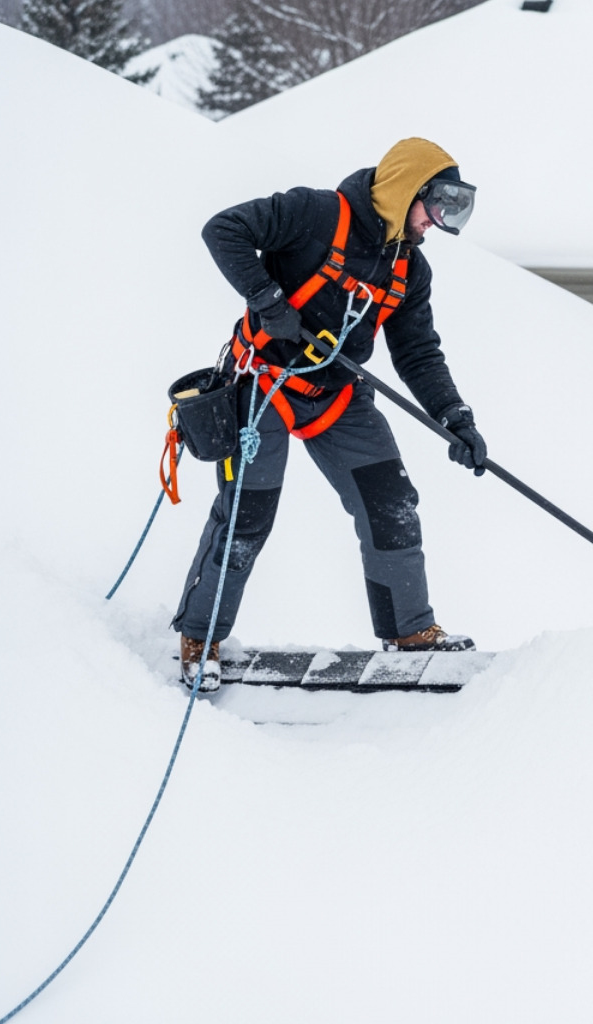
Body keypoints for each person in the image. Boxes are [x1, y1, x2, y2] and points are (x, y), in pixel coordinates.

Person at [173, 137, 486, 692]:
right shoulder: (315, 213)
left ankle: (410, 633)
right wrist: (271, 304)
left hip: (337, 396)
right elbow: (223, 230)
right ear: (402, 190)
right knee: (248, 513)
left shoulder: (410, 269)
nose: (434, 222)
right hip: (262, 381)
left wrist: (454, 416)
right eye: (432, 206)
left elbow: (417, 352)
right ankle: (201, 636)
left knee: (392, 504)